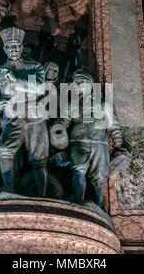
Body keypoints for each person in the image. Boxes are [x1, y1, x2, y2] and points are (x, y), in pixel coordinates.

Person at [0, 27, 49, 196]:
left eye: (16, 46)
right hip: (12, 118)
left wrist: (15, 80)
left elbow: (39, 88)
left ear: (22, 47)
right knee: (3, 149)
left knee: (38, 159)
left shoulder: (34, 67)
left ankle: (42, 195)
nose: (13, 49)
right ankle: (9, 188)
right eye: (9, 46)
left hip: (33, 116)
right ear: (4, 49)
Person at [50, 70, 124, 206]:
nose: (78, 85)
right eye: (76, 83)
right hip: (78, 142)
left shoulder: (103, 105)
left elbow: (114, 125)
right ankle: (79, 200)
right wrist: (57, 128)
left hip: (99, 143)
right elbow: (63, 121)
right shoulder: (71, 105)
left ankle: (97, 205)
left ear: (90, 84)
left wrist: (118, 143)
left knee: (99, 178)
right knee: (78, 171)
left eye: (81, 81)